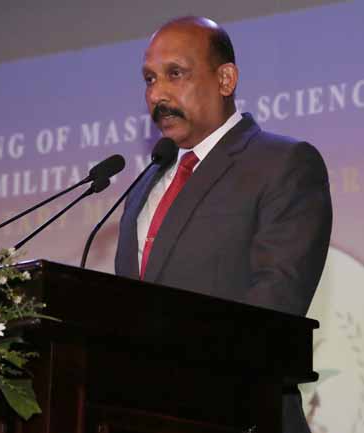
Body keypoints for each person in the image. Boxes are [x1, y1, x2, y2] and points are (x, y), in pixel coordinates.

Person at [114, 16, 332, 433]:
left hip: (240, 415)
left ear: (226, 79)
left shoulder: (283, 164)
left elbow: (273, 311)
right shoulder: (147, 183)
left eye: (174, 74)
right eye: (149, 79)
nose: (157, 93)